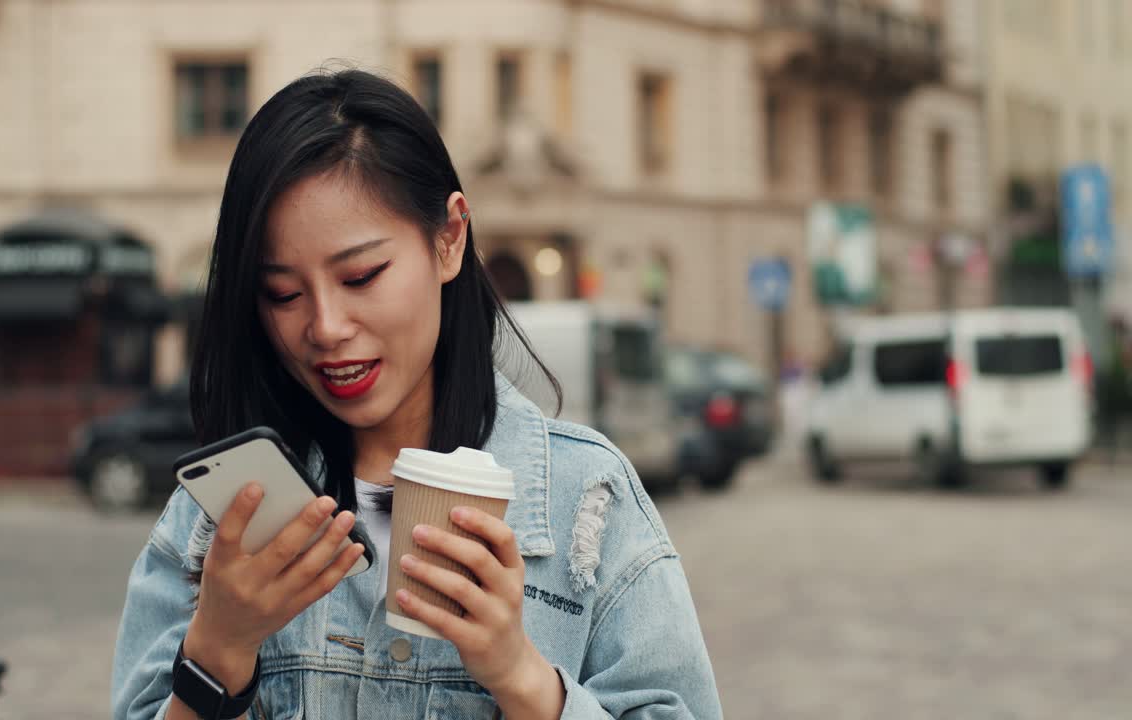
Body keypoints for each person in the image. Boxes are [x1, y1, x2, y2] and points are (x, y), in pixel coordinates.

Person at [111, 68, 723, 720]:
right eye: (283, 293)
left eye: (361, 275)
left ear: (449, 238)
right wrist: (218, 654)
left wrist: (520, 675)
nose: (325, 326)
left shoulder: (585, 503)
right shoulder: (216, 524)